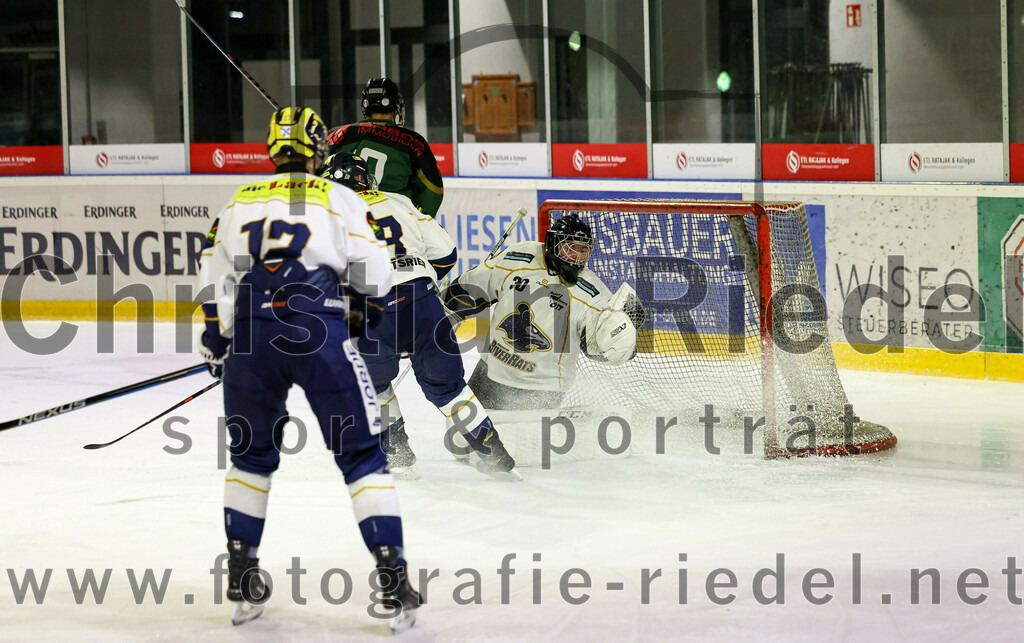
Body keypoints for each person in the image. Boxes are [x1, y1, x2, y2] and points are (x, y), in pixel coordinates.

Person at [198, 107, 420, 631]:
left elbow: (213, 276)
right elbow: (377, 276)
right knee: (364, 456)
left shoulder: (238, 201)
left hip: (253, 336)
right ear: (319, 149)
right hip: (318, 330)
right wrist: (363, 308)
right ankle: (393, 582)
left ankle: (242, 575)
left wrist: (218, 340)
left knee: (250, 459)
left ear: (272, 151)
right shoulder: (338, 197)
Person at [321, 152, 520, 481]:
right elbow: (445, 252)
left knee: (372, 384)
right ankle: (495, 456)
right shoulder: (400, 201)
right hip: (422, 302)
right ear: (366, 180)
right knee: (450, 389)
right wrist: (419, 286)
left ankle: (398, 457)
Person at [441, 213, 645, 410]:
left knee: (524, 444)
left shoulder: (592, 292)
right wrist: (447, 306)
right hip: (490, 372)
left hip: (542, 388)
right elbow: (474, 285)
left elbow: (598, 345)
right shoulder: (518, 257)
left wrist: (622, 337)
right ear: (553, 244)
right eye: (570, 249)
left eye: (583, 251)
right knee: (464, 438)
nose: (577, 258)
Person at [327, 77, 445, 216]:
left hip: (347, 215)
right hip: (394, 217)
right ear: (396, 108)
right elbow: (433, 190)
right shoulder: (412, 141)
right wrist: (418, 218)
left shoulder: (338, 133)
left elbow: (317, 173)